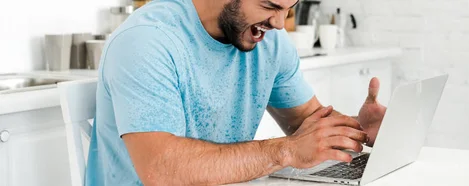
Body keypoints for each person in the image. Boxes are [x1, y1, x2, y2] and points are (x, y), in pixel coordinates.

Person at [86, 0, 387, 185]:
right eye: (270, 6)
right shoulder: (147, 42)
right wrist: (286, 150)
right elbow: (162, 172)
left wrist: (357, 130)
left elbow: (307, 126)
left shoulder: (268, 43)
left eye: (287, 9)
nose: (280, 24)